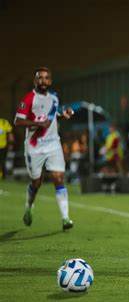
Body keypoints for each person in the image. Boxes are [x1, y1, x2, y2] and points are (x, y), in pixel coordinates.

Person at [14, 67, 75, 231]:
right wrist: (37, 124)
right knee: (36, 182)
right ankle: (29, 207)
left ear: (50, 81)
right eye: (40, 78)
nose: (43, 81)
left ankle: (65, 218)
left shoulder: (54, 98)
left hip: (53, 143)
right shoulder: (28, 99)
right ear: (35, 81)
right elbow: (18, 121)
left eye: (46, 78)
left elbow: (51, 116)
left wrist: (63, 115)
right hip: (35, 146)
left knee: (59, 178)